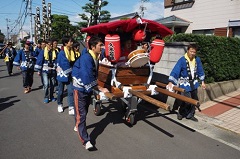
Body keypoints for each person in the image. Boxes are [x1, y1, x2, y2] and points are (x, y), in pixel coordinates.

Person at [72, 36, 108, 150]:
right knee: (81, 114)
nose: (102, 47)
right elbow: (86, 75)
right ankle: (86, 141)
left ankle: (78, 124)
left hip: (87, 88)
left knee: (83, 111)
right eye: (100, 45)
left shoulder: (95, 56)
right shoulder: (86, 58)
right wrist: (99, 89)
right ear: (93, 47)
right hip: (80, 89)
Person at [167, 44, 206, 121]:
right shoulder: (182, 60)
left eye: (194, 52)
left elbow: (200, 70)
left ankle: (190, 115)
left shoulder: (197, 59)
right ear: (188, 50)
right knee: (186, 100)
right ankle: (181, 112)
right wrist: (171, 82)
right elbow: (176, 70)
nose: (192, 53)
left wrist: (202, 82)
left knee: (194, 100)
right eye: (191, 51)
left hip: (194, 83)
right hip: (184, 84)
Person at [56, 36, 75, 115]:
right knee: (60, 92)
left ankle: (71, 106)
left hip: (69, 75)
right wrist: (73, 71)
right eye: (70, 42)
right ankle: (60, 104)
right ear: (66, 43)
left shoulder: (71, 51)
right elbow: (64, 64)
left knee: (70, 91)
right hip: (62, 75)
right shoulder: (62, 53)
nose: (72, 43)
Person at [35, 39, 58, 103]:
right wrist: (39, 70)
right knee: (46, 84)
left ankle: (51, 96)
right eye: (49, 44)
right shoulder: (42, 52)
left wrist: (57, 67)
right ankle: (46, 97)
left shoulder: (55, 52)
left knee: (53, 84)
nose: (50, 46)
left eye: (51, 44)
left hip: (53, 70)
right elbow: (39, 61)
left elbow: (57, 60)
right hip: (45, 70)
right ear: (46, 45)